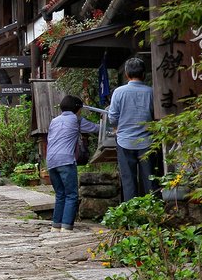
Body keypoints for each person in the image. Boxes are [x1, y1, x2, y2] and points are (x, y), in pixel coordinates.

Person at [46, 95, 100, 230]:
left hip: (51, 161)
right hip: (66, 160)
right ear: (77, 109)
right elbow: (95, 128)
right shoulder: (77, 120)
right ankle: (66, 227)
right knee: (71, 194)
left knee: (60, 194)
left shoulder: (54, 121)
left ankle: (56, 226)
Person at [108, 56, 157, 201]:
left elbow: (112, 117)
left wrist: (117, 128)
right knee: (150, 179)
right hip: (147, 141)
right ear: (144, 74)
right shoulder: (151, 92)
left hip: (124, 140)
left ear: (126, 74)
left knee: (128, 180)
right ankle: (153, 208)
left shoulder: (119, 92)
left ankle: (131, 210)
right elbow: (156, 115)